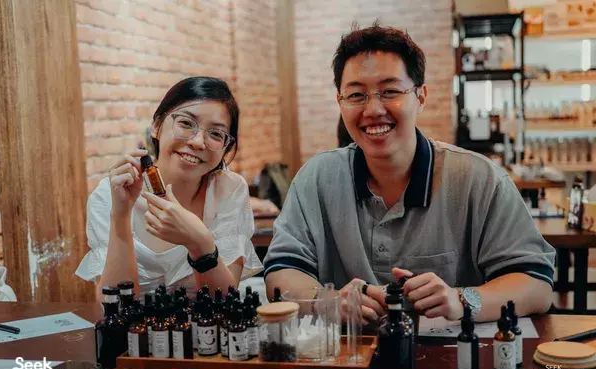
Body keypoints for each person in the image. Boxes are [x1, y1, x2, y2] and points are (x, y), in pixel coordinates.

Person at [263, 23, 555, 324]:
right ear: (340, 103)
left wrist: (462, 299)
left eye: (390, 91)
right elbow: (280, 273)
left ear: (421, 96)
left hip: (451, 351)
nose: (373, 110)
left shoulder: (479, 179)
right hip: (349, 351)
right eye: (356, 95)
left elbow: (536, 285)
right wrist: (329, 302)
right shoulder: (315, 179)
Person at [76, 77, 262, 300]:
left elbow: (223, 302)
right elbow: (114, 305)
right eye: (186, 123)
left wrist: (199, 242)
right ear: (157, 126)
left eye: (215, 134)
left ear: (226, 147)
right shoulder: (110, 194)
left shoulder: (229, 190)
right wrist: (121, 216)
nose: (197, 142)